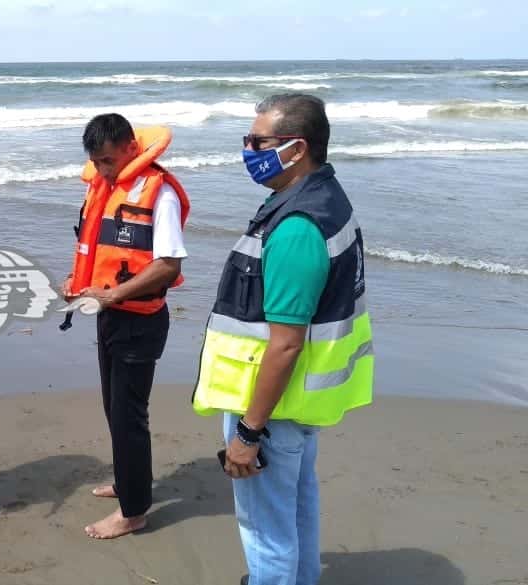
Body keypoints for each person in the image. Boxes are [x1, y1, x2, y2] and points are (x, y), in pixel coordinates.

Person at [191, 93, 374, 585]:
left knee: (265, 529)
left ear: (296, 149)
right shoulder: (321, 199)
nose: (247, 149)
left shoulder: (296, 227)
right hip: (296, 405)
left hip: (271, 408)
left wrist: (248, 433)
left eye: (257, 141)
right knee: (296, 506)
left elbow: (286, 342)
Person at [63, 113, 191, 539]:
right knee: (112, 409)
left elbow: (168, 265)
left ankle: (134, 510)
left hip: (141, 322)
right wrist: (77, 285)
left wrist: (116, 295)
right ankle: (126, 482)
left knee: (129, 416)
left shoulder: (160, 192)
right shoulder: (104, 188)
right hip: (109, 315)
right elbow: (95, 250)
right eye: (96, 162)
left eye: (108, 161)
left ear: (131, 149)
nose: (101, 170)